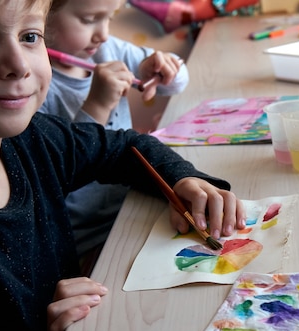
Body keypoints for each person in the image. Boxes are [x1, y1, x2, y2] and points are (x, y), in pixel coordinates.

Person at [0, 0, 245, 331]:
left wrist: (183, 180)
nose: (18, 64)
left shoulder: (33, 142)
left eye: (29, 36)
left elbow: (125, 147)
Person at [40, 0, 190, 261]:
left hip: (131, 205)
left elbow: (176, 82)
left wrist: (160, 68)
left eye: (110, 17)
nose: (104, 33)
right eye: (89, 20)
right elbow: (61, 169)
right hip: (86, 238)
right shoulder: (32, 85)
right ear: (43, 14)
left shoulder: (107, 49)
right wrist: (97, 105)